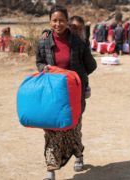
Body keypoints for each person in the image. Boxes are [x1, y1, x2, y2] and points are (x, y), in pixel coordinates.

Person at [36, 5, 97, 180]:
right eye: (54, 20)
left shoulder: (78, 42)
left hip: (74, 94)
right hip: (52, 94)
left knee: (73, 129)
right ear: (49, 21)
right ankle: (50, 171)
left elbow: (91, 66)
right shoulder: (44, 40)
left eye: (61, 20)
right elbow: (39, 62)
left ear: (67, 22)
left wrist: (80, 80)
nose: (58, 23)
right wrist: (44, 68)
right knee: (51, 130)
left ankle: (78, 155)